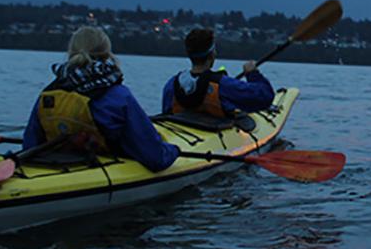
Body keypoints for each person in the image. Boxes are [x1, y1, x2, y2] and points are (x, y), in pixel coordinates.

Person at [22, 26, 180, 172]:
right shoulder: (119, 96)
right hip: (102, 170)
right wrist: (174, 150)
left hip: (53, 168)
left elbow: (30, 147)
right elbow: (156, 158)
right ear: (107, 54)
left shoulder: (49, 94)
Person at [162, 28, 275, 117]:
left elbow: (167, 113)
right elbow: (265, 97)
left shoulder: (172, 85)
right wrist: (252, 74)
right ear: (212, 55)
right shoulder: (223, 85)